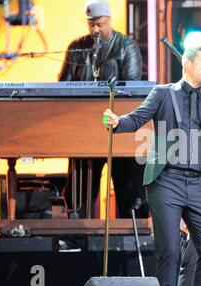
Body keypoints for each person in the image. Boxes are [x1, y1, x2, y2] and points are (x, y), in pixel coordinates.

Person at [103, 43, 201, 286]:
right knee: (171, 252)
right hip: (166, 180)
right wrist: (117, 122)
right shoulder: (164, 93)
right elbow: (136, 118)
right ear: (186, 63)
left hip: (198, 184)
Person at [58, 0, 148, 219]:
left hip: (120, 128)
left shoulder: (126, 47)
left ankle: (131, 234)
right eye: (92, 25)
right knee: (81, 188)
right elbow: (63, 85)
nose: (95, 29)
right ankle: (77, 233)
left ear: (109, 21)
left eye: (100, 24)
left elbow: (131, 88)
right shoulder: (77, 48)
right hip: (85, 130)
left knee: (128, 185)